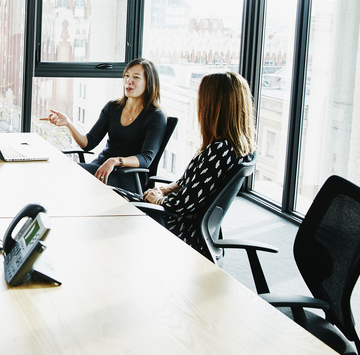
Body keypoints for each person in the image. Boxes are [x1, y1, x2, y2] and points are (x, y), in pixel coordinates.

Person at [141, 71, 257, 258]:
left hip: (180, 229)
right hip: (185, 223)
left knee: (115, 206)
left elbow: (180, 206)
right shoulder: (235, 147)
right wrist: (164, 189)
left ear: (214, 106)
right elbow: (190, 182)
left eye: (202, 100)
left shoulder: (219, 151)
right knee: (117, 198)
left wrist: (157, 200)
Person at [43, 58, 166, 193]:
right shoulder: (113, 107)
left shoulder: (156, 116)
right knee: (58, 171)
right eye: (126, 76)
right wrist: (69, 124)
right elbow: (88, 143)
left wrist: (115, 161)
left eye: (136, 77)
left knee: (67, 175)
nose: (129, 81)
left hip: (128, 177)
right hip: (101, 168)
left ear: (149, 83)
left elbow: (146, 158)